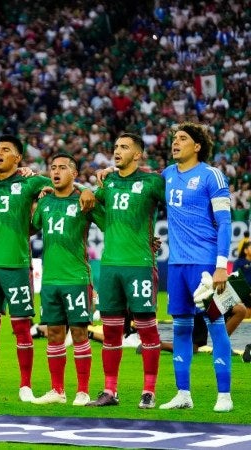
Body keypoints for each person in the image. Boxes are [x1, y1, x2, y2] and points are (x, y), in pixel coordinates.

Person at [0, 136, 94, 402]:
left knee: (21, 328)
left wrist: (86, 188)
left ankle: (25, 386)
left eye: (6, 150)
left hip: (18, 267)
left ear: (18, 158)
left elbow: (65, 184)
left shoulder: (31, 182)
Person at [159, 122, 234, 412]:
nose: (175, 143)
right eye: (174, 138)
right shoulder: (167, 175)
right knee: (180, 329)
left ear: (198, 146)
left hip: (205, 264)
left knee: (216, 325)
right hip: (177, 264)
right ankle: (183, 394)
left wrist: (220, 266)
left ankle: (224, 395)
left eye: (182, 139)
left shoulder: (211, 176)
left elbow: (225, 223)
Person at [88, 132, 164, 409]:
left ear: (139, 154)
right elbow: (90, 204)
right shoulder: (107, 183)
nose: (117, 150)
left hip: (140, 265)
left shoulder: (152, 181)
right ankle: (110, 391)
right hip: (109, 267)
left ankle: (149, 391)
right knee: (110, 332)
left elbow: (178, 208)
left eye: (124, 147)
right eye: (116, 146)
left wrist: (158, 239)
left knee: (147, 330)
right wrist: (85, 191)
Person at [30, 152, 101, 406]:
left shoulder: (84, 200)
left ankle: (83, 391)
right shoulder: (46, 203)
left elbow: (108, 224)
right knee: (54, 334)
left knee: (81, 334)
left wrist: (86, 189)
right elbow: (29, 227)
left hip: (76, 278)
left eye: (63, 167)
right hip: (50, 280)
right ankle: (57, 391)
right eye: (53, 167)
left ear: (74, 173)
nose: (56, 171)